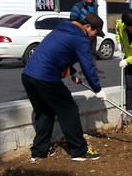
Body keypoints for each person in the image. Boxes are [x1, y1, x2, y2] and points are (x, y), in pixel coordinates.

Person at [21, 13, 107, 162]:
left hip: (28, 76)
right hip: (46, 78)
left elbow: (58, 52)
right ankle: (79, 150)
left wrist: (72, 72)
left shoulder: (62, 28)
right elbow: (88, 66)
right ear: (87, 27)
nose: (95, 36)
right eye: (95, 32)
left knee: (44, 112)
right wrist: (97, 89)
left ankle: (39, 152)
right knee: (69, 110)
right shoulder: (81, 38)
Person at [69, 0, 102, 72]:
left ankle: (94, 68)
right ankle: (84, 70)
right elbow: (73, 20)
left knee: (93, 52)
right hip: (83, 32)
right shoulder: (77, 7)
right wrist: (83, 24)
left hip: (92, 32)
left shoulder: (94, 6)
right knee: (84, 52)